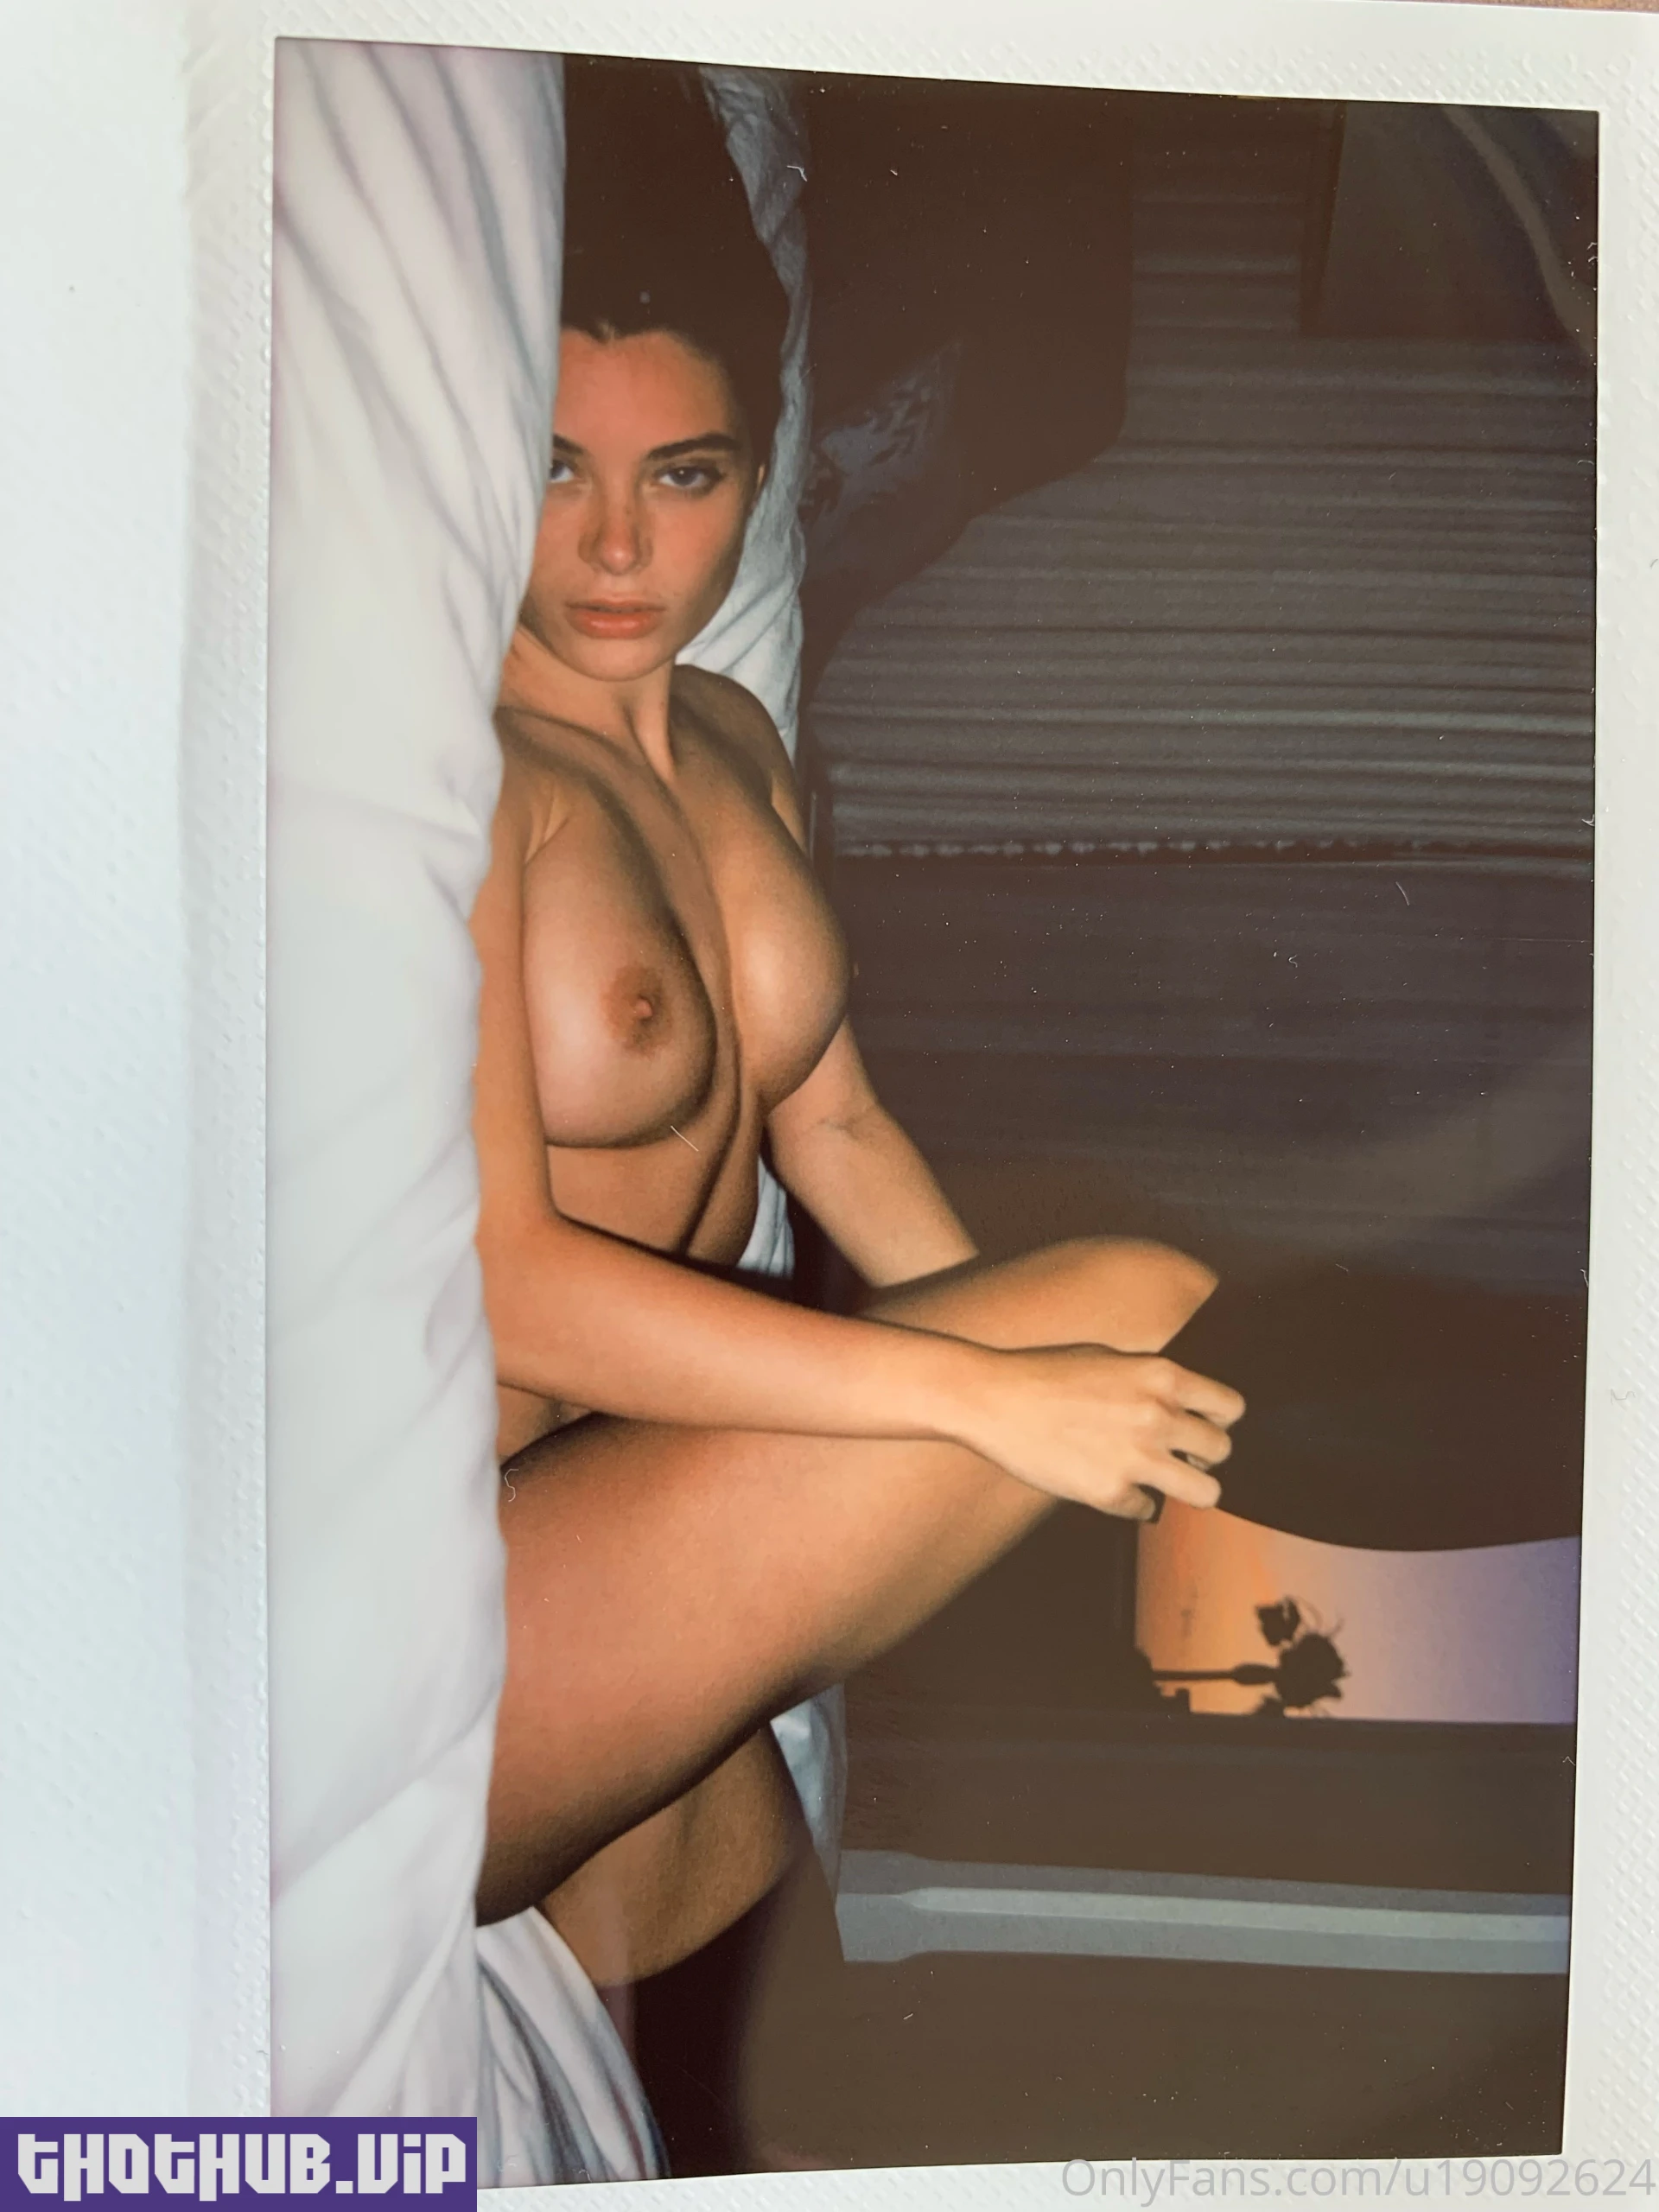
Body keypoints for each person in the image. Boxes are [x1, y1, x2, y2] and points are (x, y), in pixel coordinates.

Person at [467, 63, 1243, 2171]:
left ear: (754, 467)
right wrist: (984, 1395)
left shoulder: (730, 731)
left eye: (683, 473)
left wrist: (1081, 1447)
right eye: (555, 469)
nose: (617, 546)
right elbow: (511, 1283)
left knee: (771, 2117)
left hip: (656, 1567)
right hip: (489, 1565)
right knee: (1125, 1289)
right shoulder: (475, 789)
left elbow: (839, 1131)